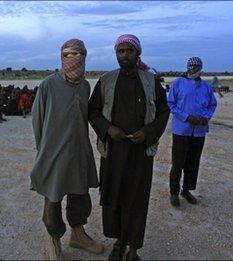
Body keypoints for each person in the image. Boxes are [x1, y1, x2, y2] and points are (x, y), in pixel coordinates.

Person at [88, 34, 170, 261]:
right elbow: (92, 111)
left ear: (138, 53)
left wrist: (147, 133)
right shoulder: (106, 81)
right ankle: (118, 242)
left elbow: (163, 111)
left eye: (129, 51)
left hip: (140, 153)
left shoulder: (151, 81)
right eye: (120, 51)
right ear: (116, 54)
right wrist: (107, 128)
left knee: (137, 199)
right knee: (114, 196)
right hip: (113, 152)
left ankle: (133, 248)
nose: (124, 55)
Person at [30, 39, 104, 260]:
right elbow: (38, 121)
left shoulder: (85, 86)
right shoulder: (48, 85)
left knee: (80, 196)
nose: (75, 59)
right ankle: (54, 239)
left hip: (79, 151)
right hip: (54, 154)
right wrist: (44, 151)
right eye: (70, 55)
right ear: (62, 56)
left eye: (80, 54)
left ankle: (78, 235)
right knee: (53, 199)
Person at [167, 57, 217, 207]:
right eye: (191, 67)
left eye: (196, 67)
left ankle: (186, 190)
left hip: (199, 132)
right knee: (178, 163)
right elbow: (171, 103)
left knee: (193, 163)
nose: (193, 70)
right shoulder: (178, 83)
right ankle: (174, 192)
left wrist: (206, 118)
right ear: (187, 67)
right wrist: (186, 117)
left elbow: (212, 104)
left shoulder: (206, 87)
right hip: (181, 130)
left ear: (201, 68)